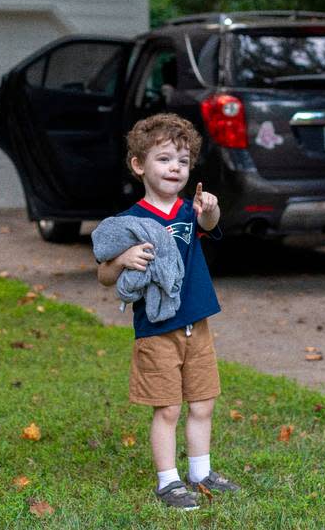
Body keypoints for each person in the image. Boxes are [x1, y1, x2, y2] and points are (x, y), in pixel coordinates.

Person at [96, 113, 240, 510]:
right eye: (164, 159)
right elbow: (105, 275)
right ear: (139, 165)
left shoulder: (190, 210)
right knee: (168, 408)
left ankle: (200, 471)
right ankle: (168, 481)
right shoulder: (130, 221)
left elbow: (210, 223)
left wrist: (209, 208)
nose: (175, 167)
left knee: (204, 402)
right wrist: (123, 258)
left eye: (182, 159)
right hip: (157, 329)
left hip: (198, 322)